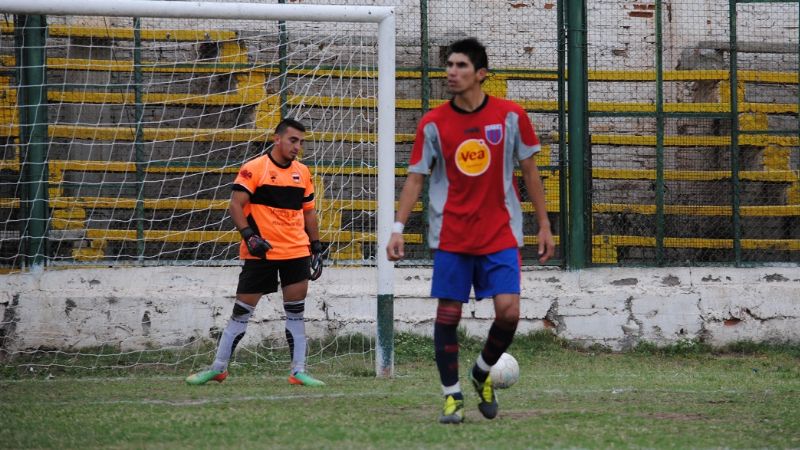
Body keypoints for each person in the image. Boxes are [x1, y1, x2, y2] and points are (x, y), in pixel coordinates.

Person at [386, 37, 555, 423]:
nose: (452, 71)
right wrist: (398, 228)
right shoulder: (433, 123)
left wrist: (544, 224)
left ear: (481, 74)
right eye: (449, 65)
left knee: (509, 313)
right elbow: (415, 178)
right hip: (452, 235)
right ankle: (451, 397)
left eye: (461, 65)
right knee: (448, 314)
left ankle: (481, 373)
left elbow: (530, 172)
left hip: (500, 232)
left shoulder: (511, 117)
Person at [186, 118, 326, 387]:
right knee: (242, 311)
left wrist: (316, 246)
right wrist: (249, 236)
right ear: (277, 139)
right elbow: (236, 205)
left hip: (296, 250)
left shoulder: (303, 173)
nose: (298, 146)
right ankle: (218, 368)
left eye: (301, 142)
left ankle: (298, 371)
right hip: (261, 253)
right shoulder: (254, 169)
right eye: (293, 140)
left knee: (296, 311)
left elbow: (309, 212)